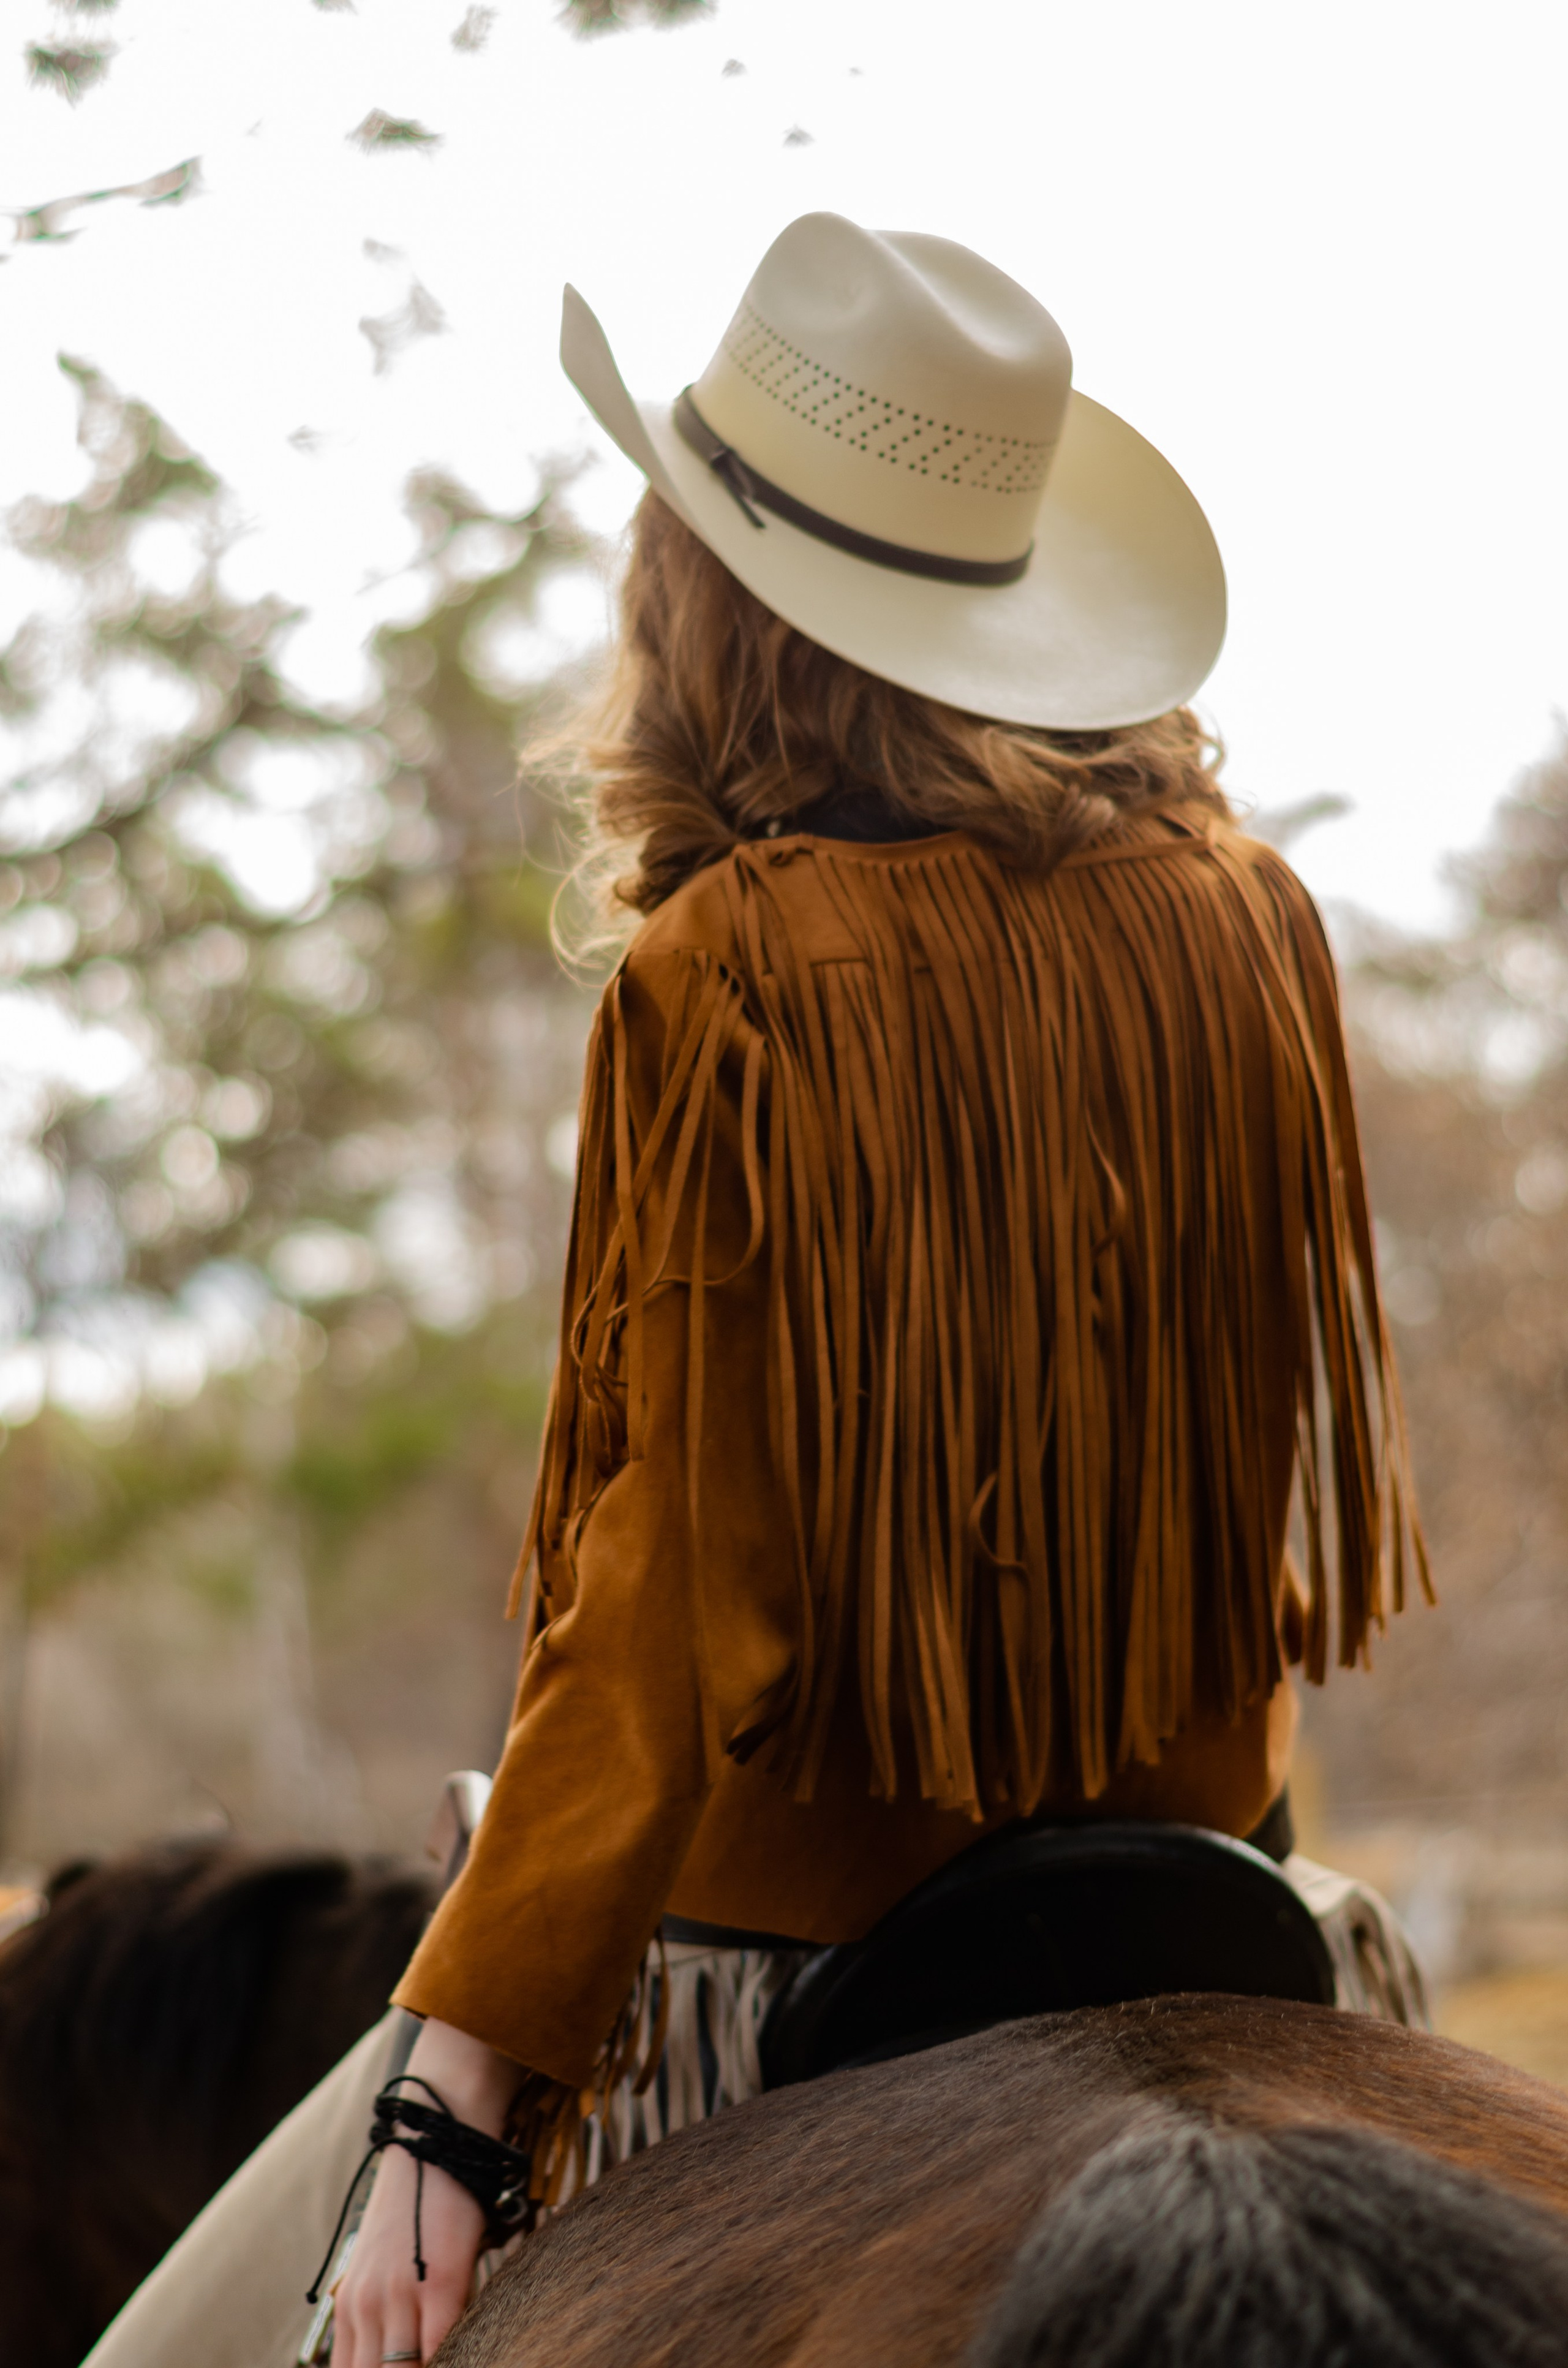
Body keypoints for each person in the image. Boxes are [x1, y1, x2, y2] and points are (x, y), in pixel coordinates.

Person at [86, 213, 1427, 2368]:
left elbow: (665, 1591)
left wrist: (453, 2092)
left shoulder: (737, 963)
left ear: (709, 598)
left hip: (787, 1938)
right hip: (1221, 1887)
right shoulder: (1248, 916)